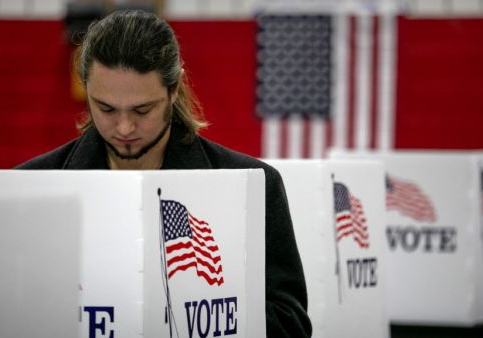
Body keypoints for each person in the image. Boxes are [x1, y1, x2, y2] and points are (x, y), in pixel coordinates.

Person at [17, 9, 312, 337]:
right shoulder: (31, 186)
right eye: (106, 109)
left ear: (174, 90)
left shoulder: (252, 184)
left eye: (143, 110)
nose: (125, 127)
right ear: (85, 89)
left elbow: (292, 323)